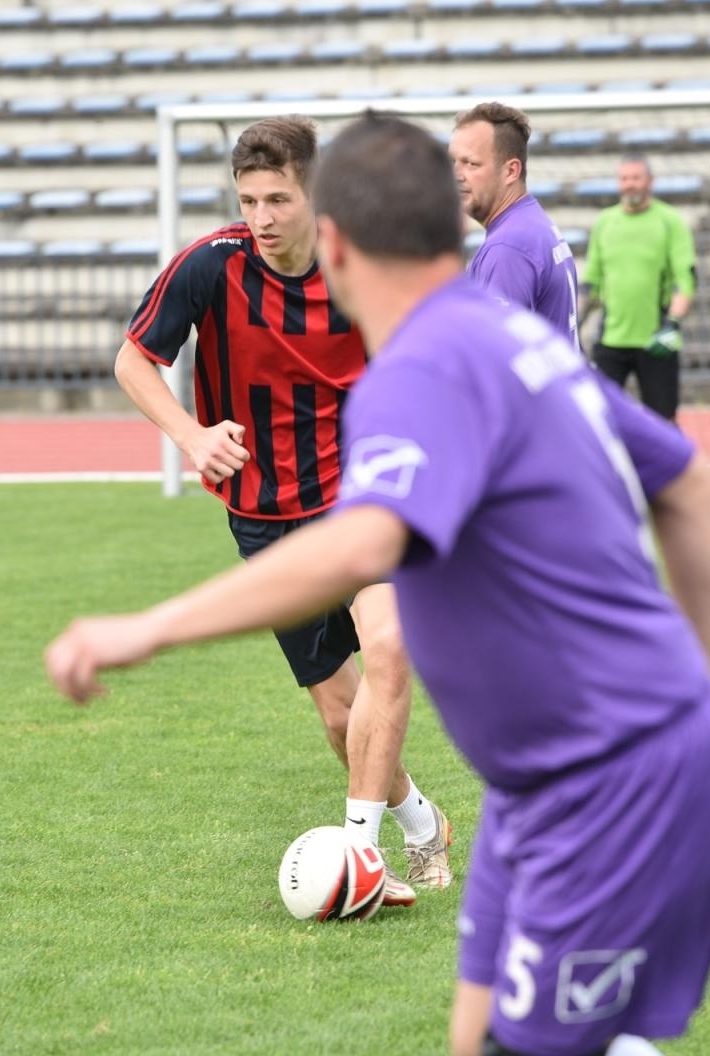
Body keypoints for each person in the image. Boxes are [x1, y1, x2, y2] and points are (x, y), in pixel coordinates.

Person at [48, 114, 710, 1056]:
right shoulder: (501, 336)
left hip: (607, 775)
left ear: (330, 235)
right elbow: (693, 485)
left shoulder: (418, 368)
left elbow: (366, 541)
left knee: (538, 1054)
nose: (262, 221)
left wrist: (148, 630)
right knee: (475, 1042)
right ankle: (415, 831)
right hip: (537, 786)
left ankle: (374, 844)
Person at [110, 116, 452, 904]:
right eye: (249, 200)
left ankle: (361, 857)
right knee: (340, 720)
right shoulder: (211, 267)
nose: (261, 218)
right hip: (265, 519)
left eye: (279, 199)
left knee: (390, 649)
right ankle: (422, 824)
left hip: (357, 502)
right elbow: (134, 360)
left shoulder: (358, 267)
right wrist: (192, 436)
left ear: (316, 194)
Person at [449, 103, 581, 349]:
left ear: (511, 171)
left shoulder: (508, 247)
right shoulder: (531, 222)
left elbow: (499, 362)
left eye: (471, 164)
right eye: (454, 162)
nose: (457, 174)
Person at [580, 153, 697, 421]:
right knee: (599, 418)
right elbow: (591, 283)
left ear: (650, 182)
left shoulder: (670, 221)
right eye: (624, 178)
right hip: (611, 339)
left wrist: (673, 323)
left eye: (635, 178)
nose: (629, 184)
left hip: (657, 340)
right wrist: (576, 321)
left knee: (663, 424)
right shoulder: (605, 222)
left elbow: (685, 279)